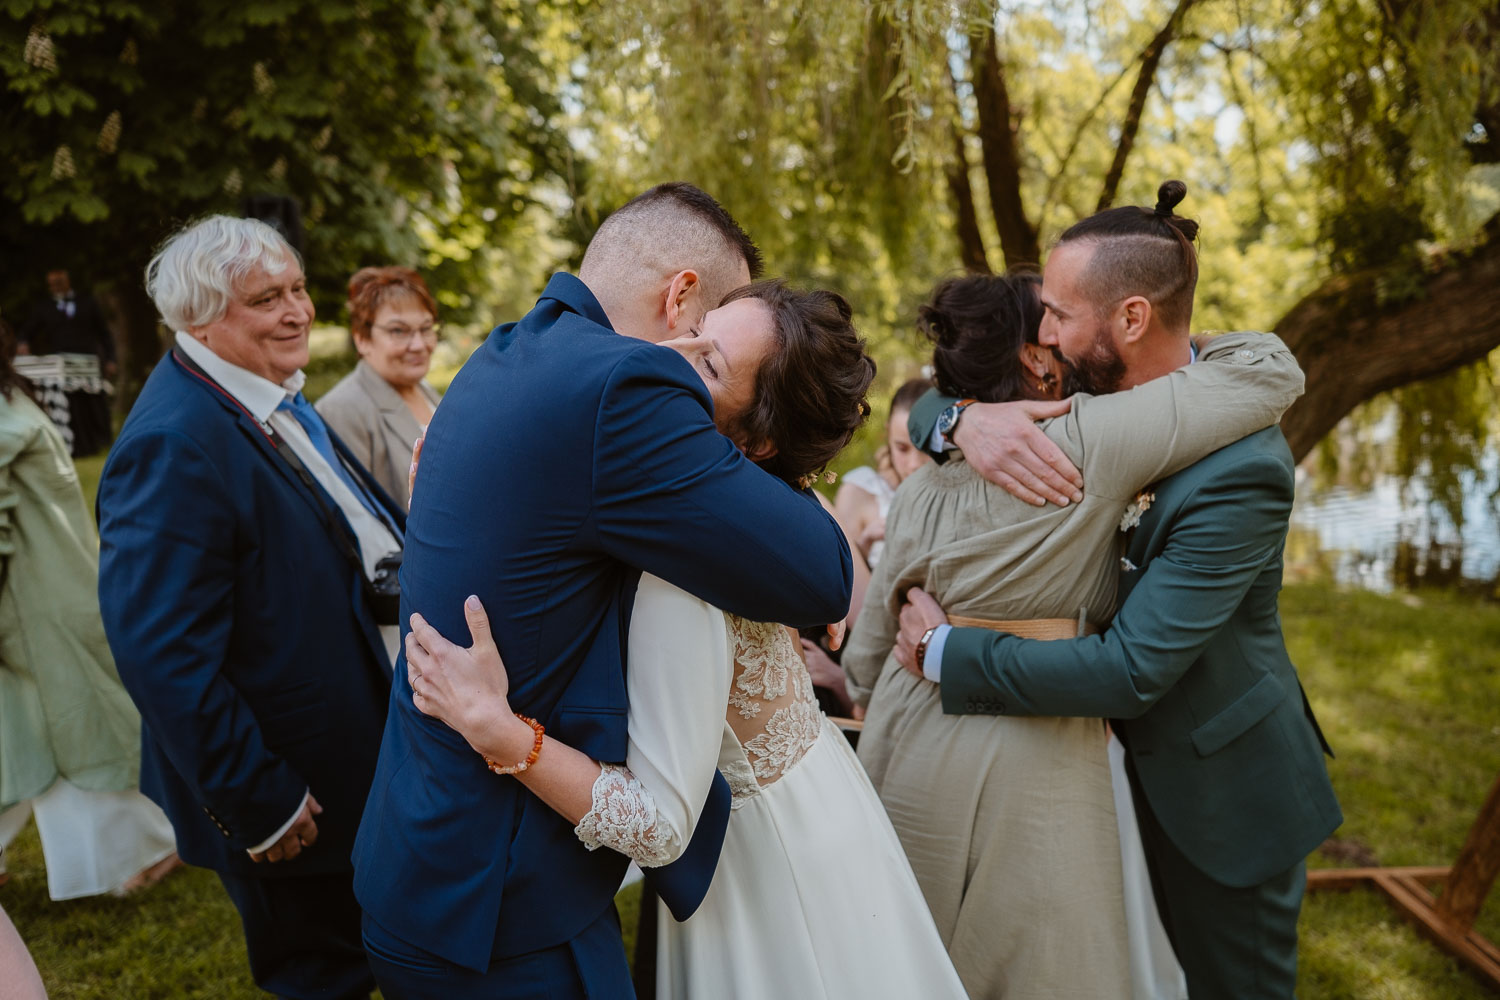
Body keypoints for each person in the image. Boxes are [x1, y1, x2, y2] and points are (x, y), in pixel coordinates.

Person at [352, 183, 855, 999]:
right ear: (682, 298)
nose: (700, 359)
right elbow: (824, 574)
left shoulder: (506, 352)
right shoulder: (626, 389)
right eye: (710, 331)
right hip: (501, 914)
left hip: (423, 856)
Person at [404, 280, 969, 1000]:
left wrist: (505, 736)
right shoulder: (745, 510)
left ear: (753, 441)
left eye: (708, 364)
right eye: (697, 331)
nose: (672, 351)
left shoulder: (683, 570)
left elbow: (662, 826)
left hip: (761, 866)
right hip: (823, 803)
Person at [891, 181, 1342, 998]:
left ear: (1132, 318)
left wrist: (944, 650)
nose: (1047, 337)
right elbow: (943, 392)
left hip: (1218, 794)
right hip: (1107, 772)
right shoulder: (1087, 400)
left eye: (1059, 315)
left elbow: (1130, 670)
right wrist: (954, 418)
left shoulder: (1242, 472)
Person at [96, 216, 407, 1000]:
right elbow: (161, 653)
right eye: (268, 298)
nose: (298, 310)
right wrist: (258, 800)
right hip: (290, 789)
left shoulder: (267, 394)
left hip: (359, 759)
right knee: (323, 979)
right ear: (199, 318)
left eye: (298, 288)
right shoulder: (172, 442)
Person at [0, 319, 178, 902]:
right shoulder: (11, 403)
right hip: (44, 594)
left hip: (38, 602)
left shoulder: (6, 417)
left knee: (76, 728)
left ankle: (148, 848)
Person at [316, 266, 442, 509]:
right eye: (398, 331)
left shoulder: (424, 390)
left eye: (425, 329)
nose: (418, 345)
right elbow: (354, 518)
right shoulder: (342, 410)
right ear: (362, 339)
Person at [833, 376, 932, 572]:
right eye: (902, 448)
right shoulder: (859, 492)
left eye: (925, 448)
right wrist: (863, 547)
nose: (913, 464)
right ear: (888, 435)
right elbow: (835, 582)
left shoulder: (962, 492)